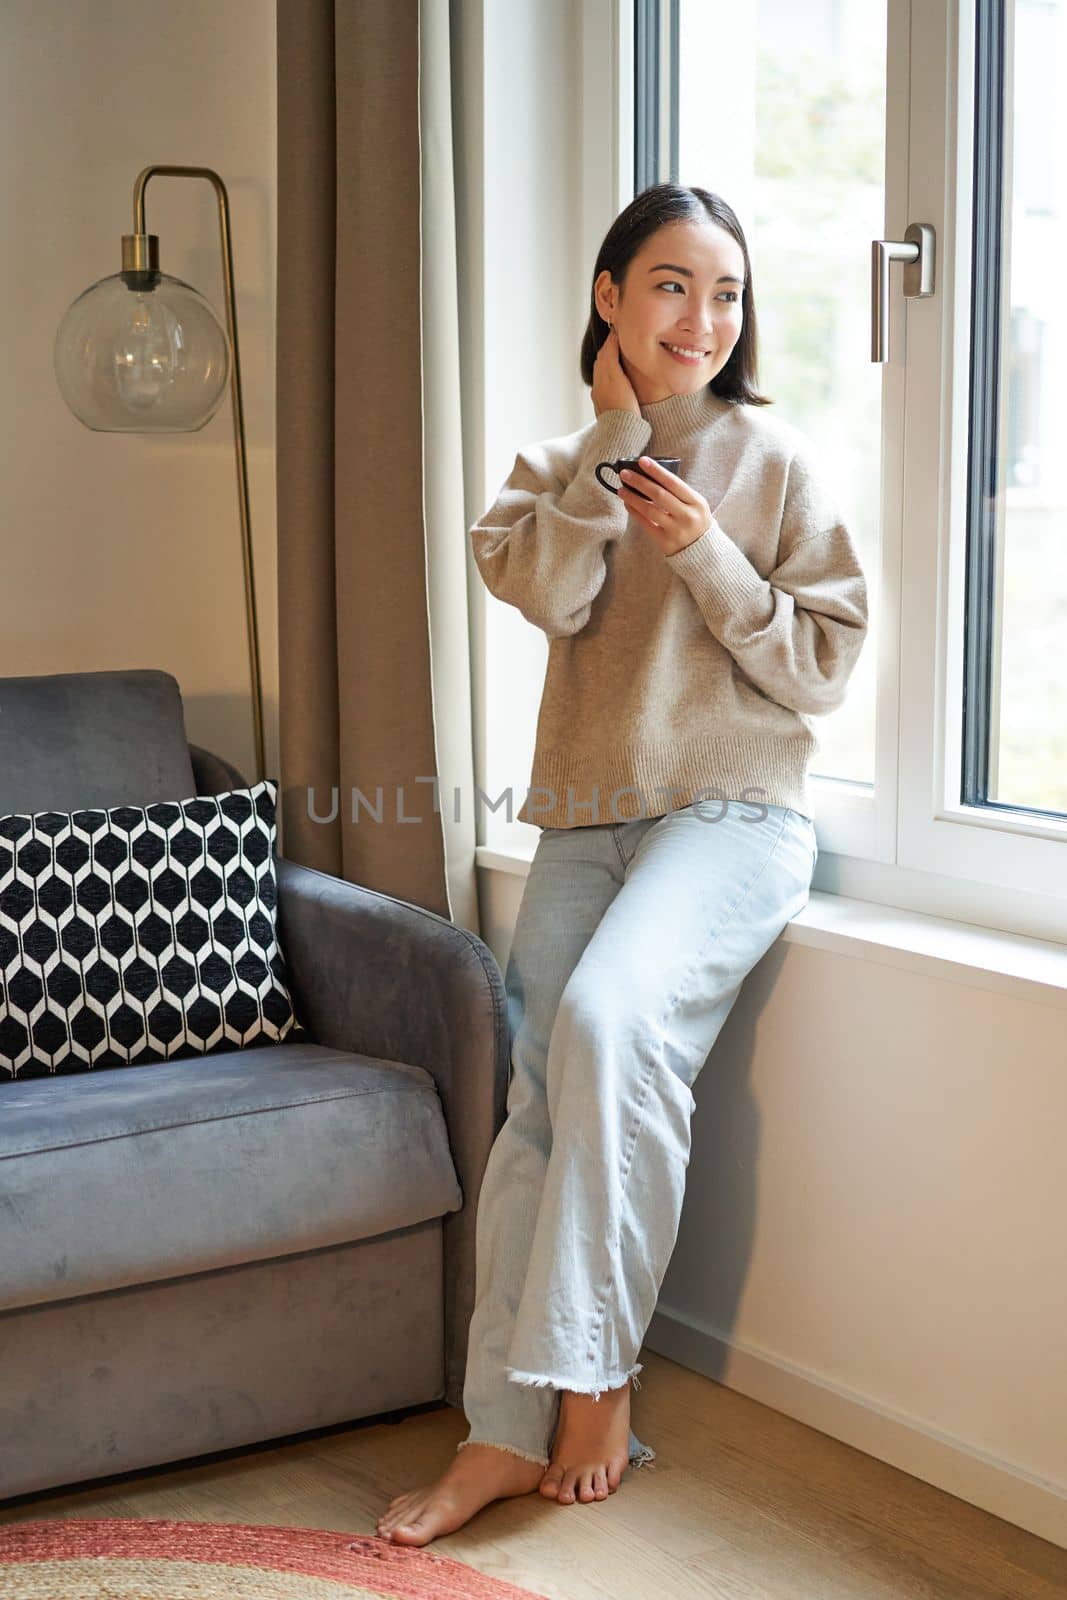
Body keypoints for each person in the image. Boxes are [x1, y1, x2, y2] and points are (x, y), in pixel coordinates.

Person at [376, 182, 868, 1547]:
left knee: (605, 1020)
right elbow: (550, 593)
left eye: (726, 292)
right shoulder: (554, 465)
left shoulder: (776, 463)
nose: (702, 317)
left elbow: (819, 667)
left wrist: (708, 555)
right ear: (610, 295)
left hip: (735, 816)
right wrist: (611, 448)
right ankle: (497, 1433)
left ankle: (598, 1375)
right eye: (670, 284)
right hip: (588, 821)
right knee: (538, 1096)